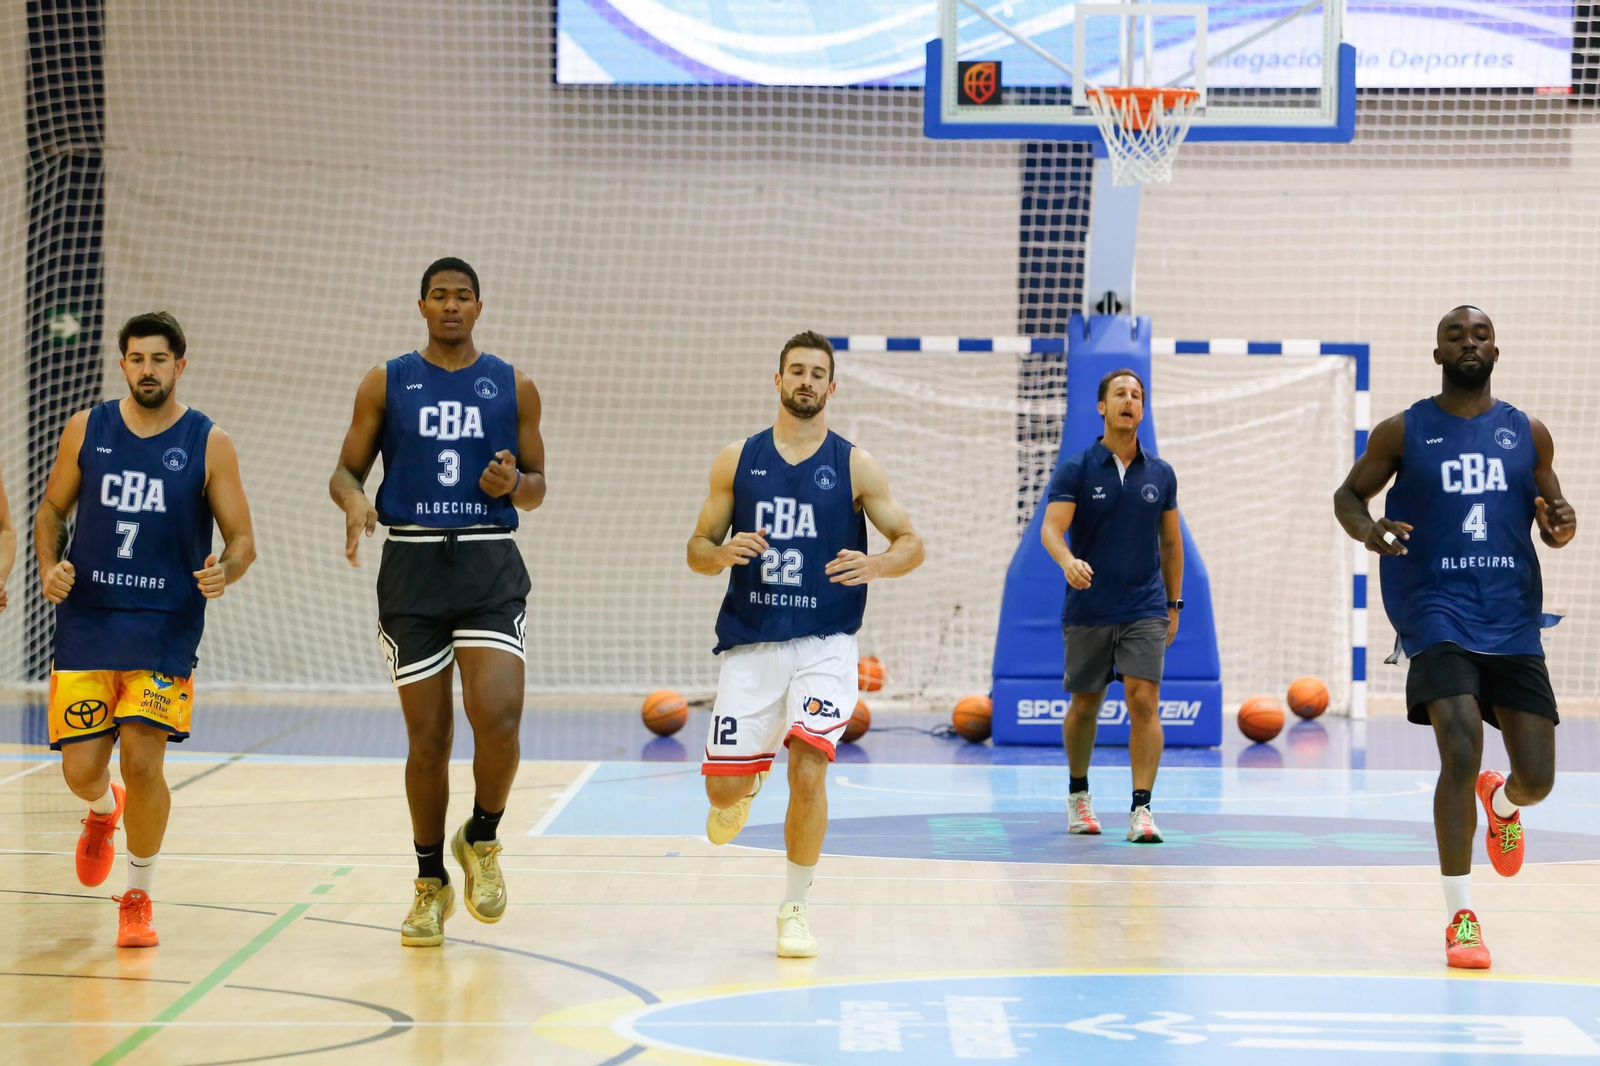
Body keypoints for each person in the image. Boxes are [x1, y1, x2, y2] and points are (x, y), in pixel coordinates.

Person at [1334, 305, 1573, 970]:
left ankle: (1502, 803)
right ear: (1437, 353)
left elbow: (1555, 525)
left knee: (1540, 780)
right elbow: (1348, 497)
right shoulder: (1405, 431)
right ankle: (1461, 917)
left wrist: (1563, 524)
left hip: (1512, 617)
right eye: (1455, 335)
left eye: (1480, 333)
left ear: (1497, 347)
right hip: (1433, 609)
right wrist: (1369, 530)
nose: (1469, 342)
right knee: (1460, 742)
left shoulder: (1528, 433)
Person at [330, 257, 545, 947]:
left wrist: (513, 483)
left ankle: (481, 836)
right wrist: (358, 499)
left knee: (500, 717)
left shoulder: (514, 384)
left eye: (463, 297)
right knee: (429, 740)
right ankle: (429, 882)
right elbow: (344, 470)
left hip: (486, 561)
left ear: (479, 306)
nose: (451, 306)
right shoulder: (386, 381)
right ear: (421, 304)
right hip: (413, 565)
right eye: (439, 296)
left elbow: (539, 485)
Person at [686, 330, 923, 957]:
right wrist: (719, 554)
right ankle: (744, 781)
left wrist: (878, 566)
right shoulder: (737, 460)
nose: (807, 382)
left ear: (832, 386)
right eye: (797, 371)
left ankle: (794, 907)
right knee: (721, 795)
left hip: (825, 643)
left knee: (810, 769)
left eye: (818, 373)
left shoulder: (855, 465)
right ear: (778, 380)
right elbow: (697, 548)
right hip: (753, 643)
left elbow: (909, 542)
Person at [35, 311, 256, 947]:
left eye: (160, 359)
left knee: (142, 758)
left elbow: (242, 540)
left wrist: (226, 571)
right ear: (123, 363)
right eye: (137, 359)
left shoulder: (208, 441)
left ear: (180, 366)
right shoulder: (88, 427)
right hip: (89, 621)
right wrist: (50, 566)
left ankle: (137, 895)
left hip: (165, 626)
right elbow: (53, 509)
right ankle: (103, 812)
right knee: (82, 771)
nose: (148, 370)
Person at [1040, 368, 1182, 843]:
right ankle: (1078, 794)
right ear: (1102, 407)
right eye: (1120, 394)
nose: (1129, 400)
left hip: (1144, 606)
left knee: (1144, 699)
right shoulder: (1077, 469)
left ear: (1143, 409)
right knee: (1086, 704)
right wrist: (1067, 561)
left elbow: (1172, 543)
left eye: (1137, 395)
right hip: (1089, 605)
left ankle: (1142, 809)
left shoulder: (1160, 473)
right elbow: (1051, 530)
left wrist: (1174, 604)